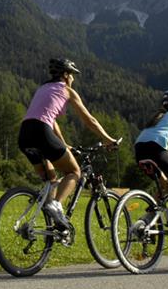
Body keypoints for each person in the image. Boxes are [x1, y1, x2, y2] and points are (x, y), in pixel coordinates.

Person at [18, 58, 117, 230]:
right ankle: (56, 205)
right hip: (42, 132)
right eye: (72, 75)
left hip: (25, 134)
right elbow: (90, 120)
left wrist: (64, 145)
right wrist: (108, 139)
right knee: (74, 171)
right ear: (65, 75)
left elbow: (52, 121)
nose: (73, 79)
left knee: (52, 179)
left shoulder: (43, 88)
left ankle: (46, 223)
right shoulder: (67, 90)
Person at [134, 89, 168, 221]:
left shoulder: (157, 118)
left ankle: (147, 220)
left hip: (139, 151)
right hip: (155, 149)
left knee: (166, 186)